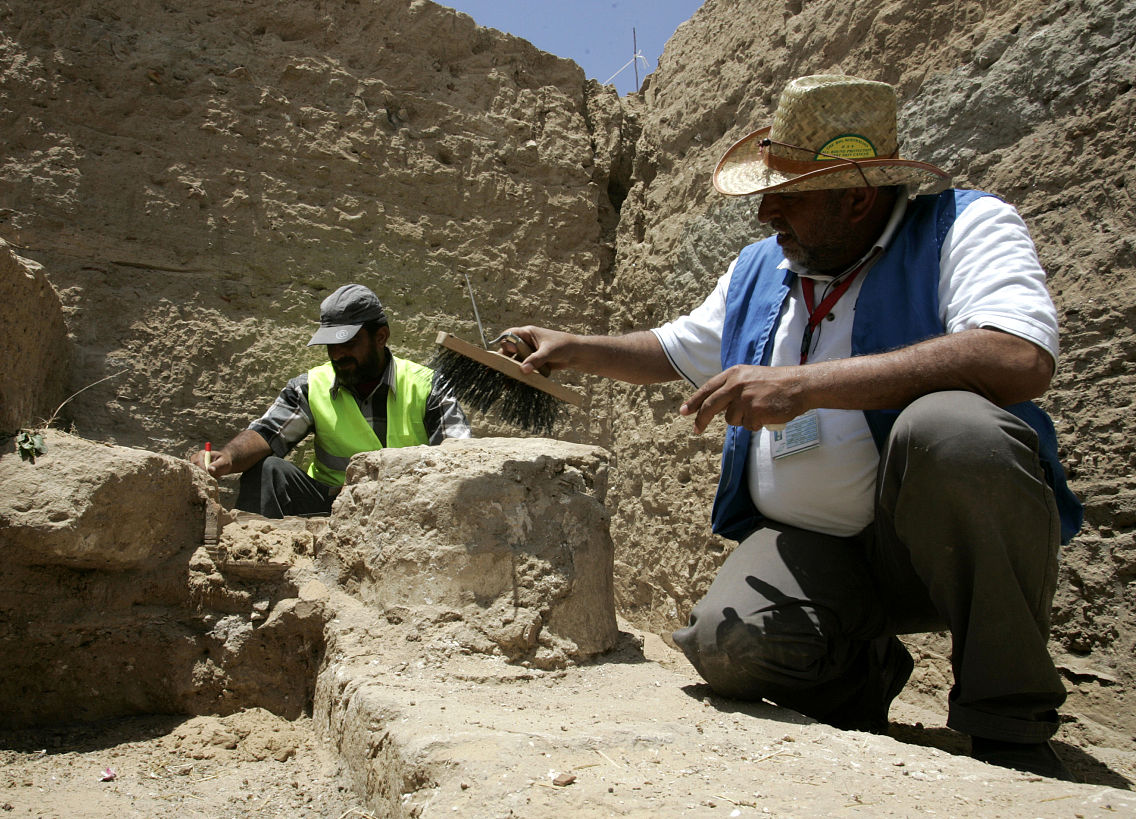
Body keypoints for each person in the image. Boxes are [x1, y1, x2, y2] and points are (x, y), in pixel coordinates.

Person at [502, 75, 1082, 780]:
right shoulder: (765, 267)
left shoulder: (963, 227)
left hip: (932, 551)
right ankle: (860, 673)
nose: (765, 212)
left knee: (955, 430)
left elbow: (1017, 356)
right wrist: (573, 346)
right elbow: (672, 347)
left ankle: (1008, 721)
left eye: (789, 195)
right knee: (725, 642)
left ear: (858, 197)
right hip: (819, 553)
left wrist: (806, 387)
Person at [192, 283, 471, 518]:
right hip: (331, 509)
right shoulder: (310, 387)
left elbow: (458, 461)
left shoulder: (428, 386)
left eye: (348, 343)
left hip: (407, 511)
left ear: (381, 336)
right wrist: (227, 458)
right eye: (331, 346)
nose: (338, 355)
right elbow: (267, 433)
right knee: (268, 470)